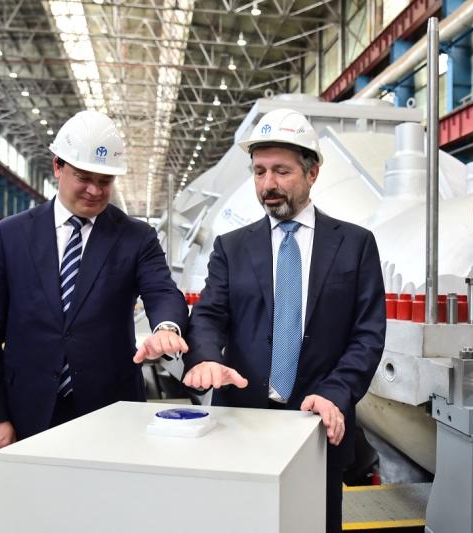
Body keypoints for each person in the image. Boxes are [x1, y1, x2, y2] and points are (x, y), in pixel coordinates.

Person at [183, 108, 386, 533]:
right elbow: (209, 314)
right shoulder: (231, 247)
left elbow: (367, 335)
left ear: (312, 174)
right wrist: (205, 357)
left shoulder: (355, 245)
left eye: (281, 171)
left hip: (318, 424)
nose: (268, 185)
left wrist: (335, 392)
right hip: (241, 423)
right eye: (259, 172)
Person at [0, 110, 189, 460]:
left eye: (105, 181)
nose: (95, 191)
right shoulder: (10, 235)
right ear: (58, 166)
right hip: (27, 409)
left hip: (111, 409)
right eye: (84, 178)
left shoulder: (136, 237)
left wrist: (166, 326)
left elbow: (161, 290)